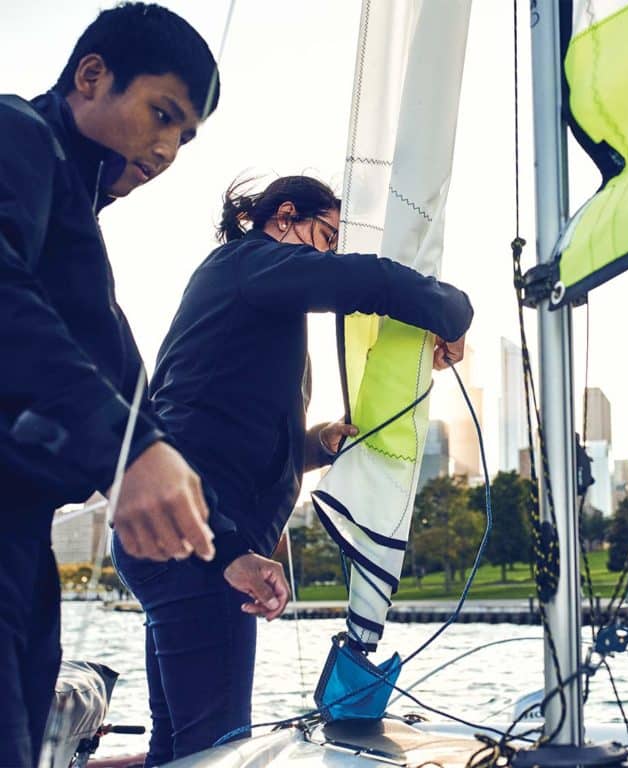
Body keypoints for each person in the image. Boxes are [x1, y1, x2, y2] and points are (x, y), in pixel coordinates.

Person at [113, 174, 473, 763]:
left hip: (172, 538)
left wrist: (317, 445)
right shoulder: (248, 263)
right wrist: (454, 311)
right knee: (215, 751)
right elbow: (365, 279)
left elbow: (219, 426)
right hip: (196, 542)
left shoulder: (242, 292)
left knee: (179, 747)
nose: (326, 254)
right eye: (325, 236)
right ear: (284, 216)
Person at [0, 6, 222, 765]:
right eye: (162, 115)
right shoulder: (14, 134)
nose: (165, 150)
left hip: (20, 551)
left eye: (185, 137)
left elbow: (140, 411)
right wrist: (127, 447)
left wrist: (226, 552)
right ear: (90, 76)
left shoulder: (74, 241)